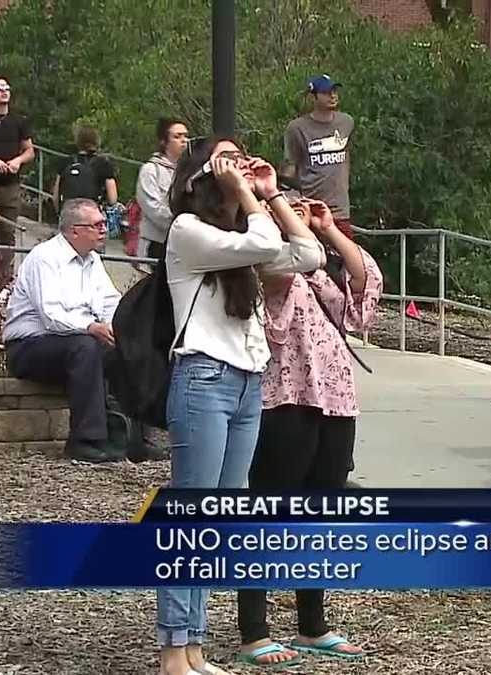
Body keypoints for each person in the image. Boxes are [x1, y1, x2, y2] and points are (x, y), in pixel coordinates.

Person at [156, 137, 324, 675]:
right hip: (204, 379)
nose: (243, 165)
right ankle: (173, 651)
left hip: (248, 383)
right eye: (229, 158)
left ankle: (194, 649)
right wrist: (248, 195)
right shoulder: (188, 231)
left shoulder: (240, 238)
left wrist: (270, 193)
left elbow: (309, 255)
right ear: (202, 174)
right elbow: (265, 240)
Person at [236, 198, 378, 667]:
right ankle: (254, 630)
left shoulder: (320, 270)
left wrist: (328, 228)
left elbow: (366, 285)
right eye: (284, 206)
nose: (297, 213)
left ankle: (312, 625)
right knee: (268, 513)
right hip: (284, 398)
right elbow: (283, 271)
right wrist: (279, 214)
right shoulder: (262, 257)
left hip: (335, 398)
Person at [2, 199, 122, 463]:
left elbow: (110, 301)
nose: (104, 229)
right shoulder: (44, 258)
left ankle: (127, 437)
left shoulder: (92, 260)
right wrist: (91, 327)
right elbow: (51, 316)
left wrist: (115, 328)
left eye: (103, 223)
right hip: (29, 346)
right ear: (75, 230)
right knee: (86, 347)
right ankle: (85, 441)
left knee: (125, 348)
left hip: (76, 342)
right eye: (97, 225)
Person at [283, 74, 355, 238]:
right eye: (326, 92)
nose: (332, 96)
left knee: (346, 251)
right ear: (313, 97)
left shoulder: (346, 122)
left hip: (340, 210)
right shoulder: (297, 128)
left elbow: (347, 155)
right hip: (311, 209)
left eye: (334, 91)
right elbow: (289, 167)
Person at [0, 76, 35, 236]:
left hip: (11, 186)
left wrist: (18, 160)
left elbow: (29, 151)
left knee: (8, 233)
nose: (4, 92)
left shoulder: (19, 120)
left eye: (7, 88)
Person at [136, 117, 188, 259]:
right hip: (156, 243)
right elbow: (152, 207)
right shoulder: (150, 170)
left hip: (182, 244)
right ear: (164, 142)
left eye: (185, 136)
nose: (184, 141)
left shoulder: (189, 171)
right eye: (177, 136)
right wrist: (179, 225)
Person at [52, 126, 118, 207]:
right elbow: (112, 199)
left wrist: (60, 212)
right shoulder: (104, 164)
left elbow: (55, 197)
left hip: (68, 210)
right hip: (91, 211)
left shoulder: (66, 162)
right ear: (96, 142)